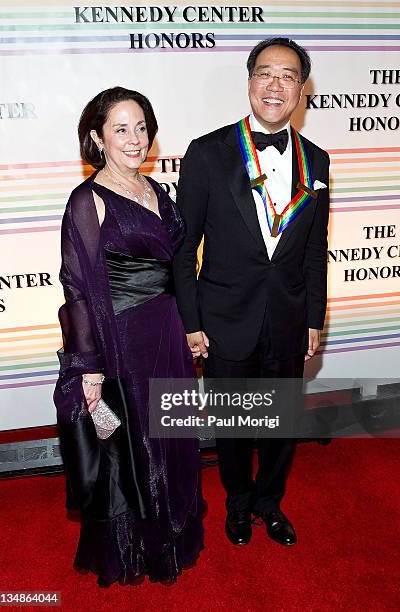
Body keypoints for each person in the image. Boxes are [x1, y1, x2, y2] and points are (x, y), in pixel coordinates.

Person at [173, 38, 330, 547]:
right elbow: (183, 248)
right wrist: (191, 321)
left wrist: (314, 317)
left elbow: (312, 251)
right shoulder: (206, 152)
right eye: (266, 73)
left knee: (281, 423)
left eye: (288, 76)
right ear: (249, 81)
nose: (276, 85)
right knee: (234, 424)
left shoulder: (318, 161)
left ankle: (270, 503)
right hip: (224, 318)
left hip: (287, 317)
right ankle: (238, 504)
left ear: (301, 90)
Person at [54, 87, 204, 586]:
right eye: (120, 129)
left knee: (172, 437)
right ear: (97, 138)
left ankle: (173, 535)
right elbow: (77, 288)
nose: (135, 139)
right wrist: (88, 365)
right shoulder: (87, 201)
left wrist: (188, 324)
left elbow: (175, 265)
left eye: (141, 127)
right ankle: (136, 549)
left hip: (166, 329)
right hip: (121, 340)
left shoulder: (156, 190)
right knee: (132, 444)